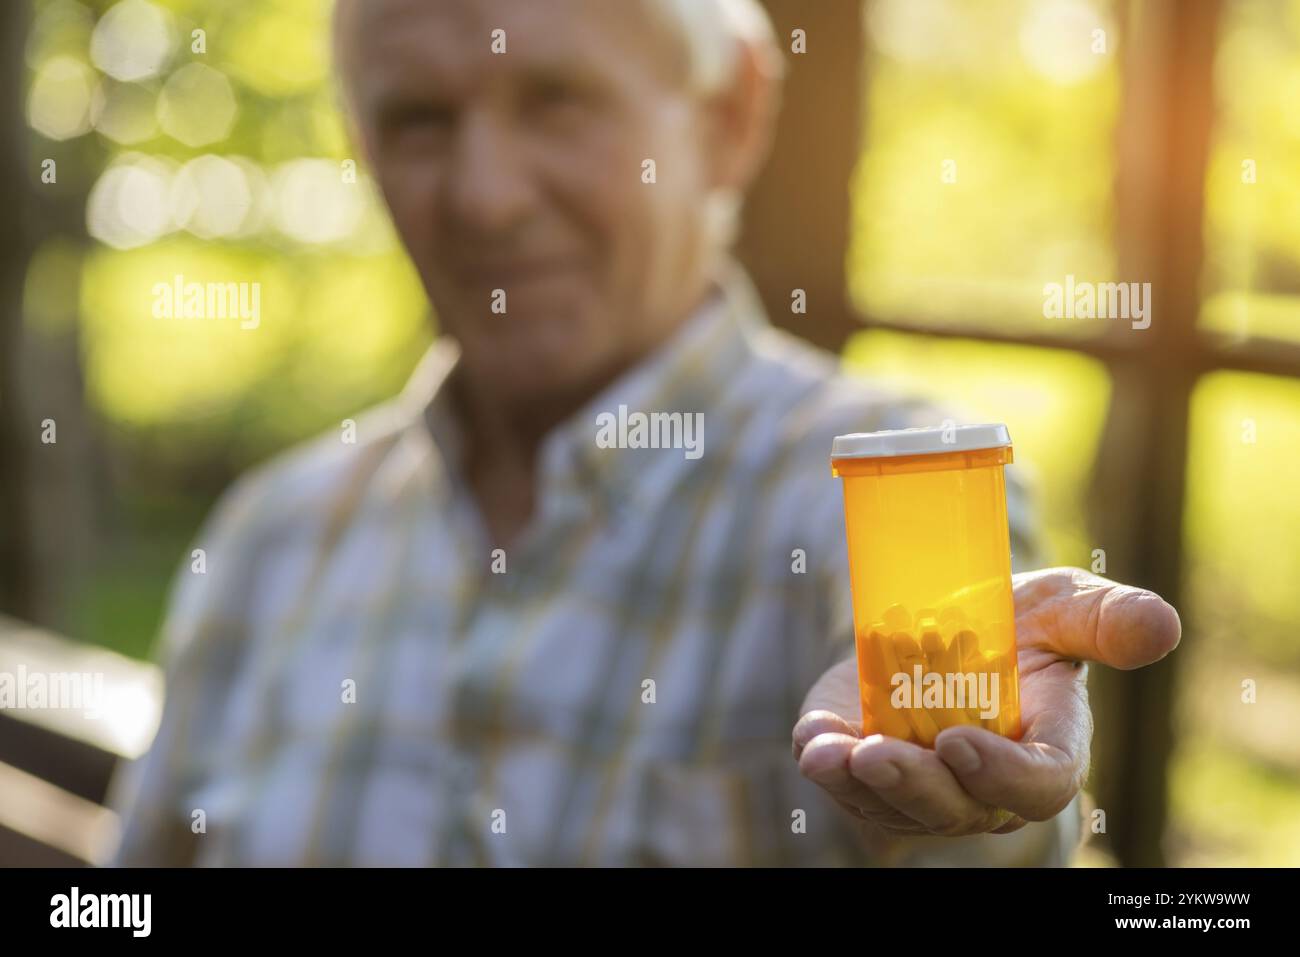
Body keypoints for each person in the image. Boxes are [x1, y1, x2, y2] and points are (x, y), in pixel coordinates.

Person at [106, 0, 1181, 866]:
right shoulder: (269, 537)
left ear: (728, 119)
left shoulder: (880, 485)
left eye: (558, 102)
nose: (486, 197)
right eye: (419, 120)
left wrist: (974, 780)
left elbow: (987, 808)